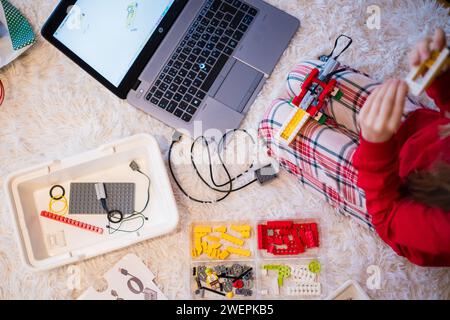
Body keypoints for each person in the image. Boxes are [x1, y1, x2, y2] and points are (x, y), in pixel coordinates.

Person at [259, 28, 450, 267]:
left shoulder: (442, 227)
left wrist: (375, 146)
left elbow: (386, 216)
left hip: (390, 197)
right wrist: (441, 75)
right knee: (302, 74)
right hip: (415, 131)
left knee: (272, 123)